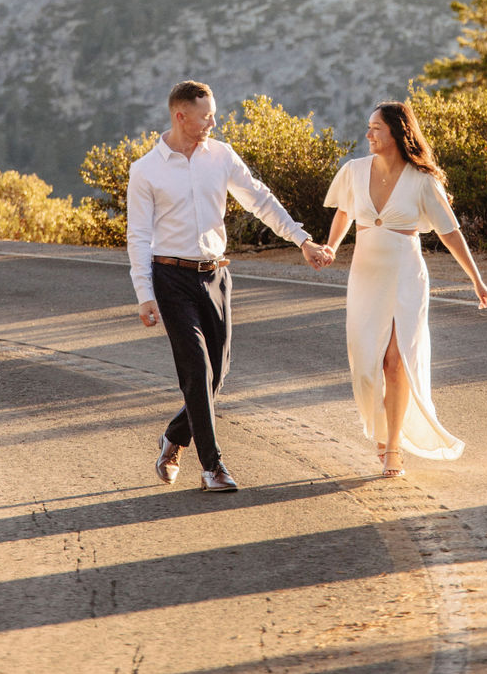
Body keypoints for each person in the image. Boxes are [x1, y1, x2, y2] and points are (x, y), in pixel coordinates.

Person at [127, 79, 333, 493]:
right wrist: (145, 294)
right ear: (180, 116)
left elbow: (258, 197)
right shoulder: (145, 170)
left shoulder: (221, 156)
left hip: (217, 276)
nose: (213, 121)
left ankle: (173, 437)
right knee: (196, 370)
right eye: (206, 115)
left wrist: (302, 240)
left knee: (216, 375)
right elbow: (139, 235)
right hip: (171, 278)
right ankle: (213, 467)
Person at [323, 99, 487, 478]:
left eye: (375, 128)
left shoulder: (421, 180)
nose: (368, 135)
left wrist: (476, 280)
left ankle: (393, 448)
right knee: (367, 367)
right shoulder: (354, 171)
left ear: (397, 132)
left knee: (395, 362)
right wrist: (331, 247)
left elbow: (451, 235)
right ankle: (380, 434)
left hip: (405, 275)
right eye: (368, 127)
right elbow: (344, 212)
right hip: (365, 277)